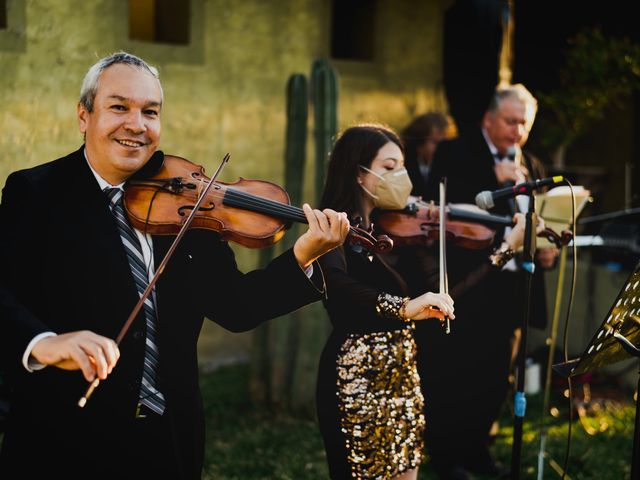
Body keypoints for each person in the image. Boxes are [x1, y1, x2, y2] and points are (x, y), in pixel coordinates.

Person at [0, 51, 349, 480]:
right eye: (119, 107)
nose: (136, 124)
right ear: (83, 116)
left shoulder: (187, 200)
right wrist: (44, 342)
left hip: (168, 441)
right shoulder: (36, 193)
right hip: (64, 440)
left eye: (150, 111)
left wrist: (304, 254)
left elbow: (236, 306)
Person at [418, 84, 558, 480]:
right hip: (471, 284)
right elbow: (438, 215)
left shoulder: (532, 163)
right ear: (488, 119)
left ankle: (477, 449)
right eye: (512, 121)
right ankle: (447, 460)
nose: (518, 131)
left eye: (524, 124)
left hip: (514, 289)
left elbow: (537, 224)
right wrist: (492, 183)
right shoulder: (454, 152)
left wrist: (544, 250)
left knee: (497, 379)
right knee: (456, 374)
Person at [315, 123, 456, 480]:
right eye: (389, 167)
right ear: (358, 172)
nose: (401, 177)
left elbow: (440, 296)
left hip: (402, 373)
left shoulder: (392, 230)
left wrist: (501, 251)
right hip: (355, 372)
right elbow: (336, 283)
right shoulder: (330, 226)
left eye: (403, 167)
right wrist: (403, 307)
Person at [400, 111, 453, 198]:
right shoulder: (404, 163)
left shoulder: (446, 163)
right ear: (419, 141)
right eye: (435, 142)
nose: (441, 147)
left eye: (444, 142)